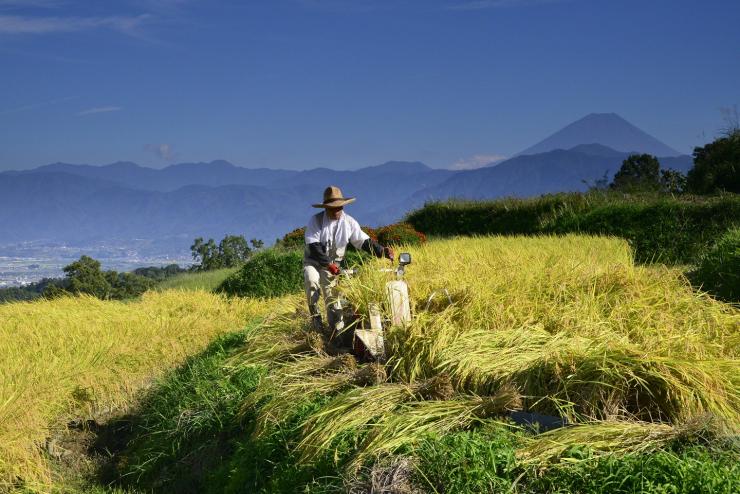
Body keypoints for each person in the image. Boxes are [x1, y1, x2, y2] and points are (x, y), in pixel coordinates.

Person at [304, 186, 393, 335]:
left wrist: (382, 251)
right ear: (326, 208)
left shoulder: (349, 222)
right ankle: (316, 320)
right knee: (311, 280)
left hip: (333, 265)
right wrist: (328, 264)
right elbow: (314, 246)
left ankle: (335, 331)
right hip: (314, 261)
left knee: (332, 295)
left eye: (339, 208)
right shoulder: (316, 221)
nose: (336, 211)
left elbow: (363, 241)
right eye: (332, 208)